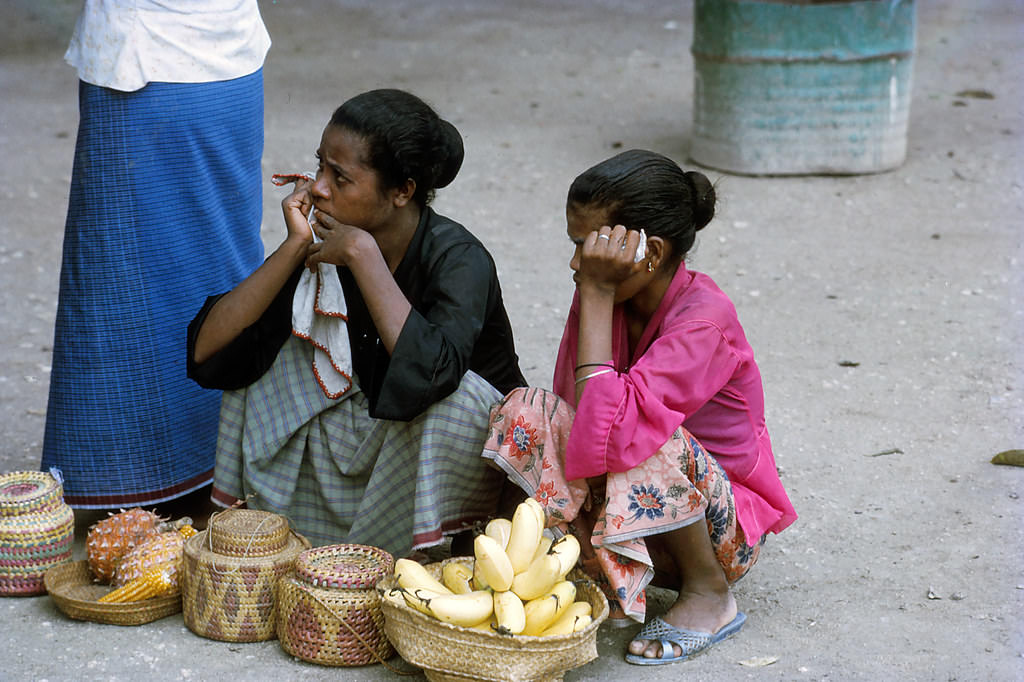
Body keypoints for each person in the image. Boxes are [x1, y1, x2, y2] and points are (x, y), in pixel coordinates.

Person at [482, 149, 797, 664]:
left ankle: (708, 595)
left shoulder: (704, 322)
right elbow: (576, 419)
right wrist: (598, 295)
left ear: (649, 251)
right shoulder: (602, 295)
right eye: (575, 244)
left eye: (588, 245)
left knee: (634, 431)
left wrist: (599, 291)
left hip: (721, 533)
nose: (575, 262)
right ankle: (574, 563)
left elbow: (610, 433)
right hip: (631, 508)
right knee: (527, 407)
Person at [186, 89, 527, 557]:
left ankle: (440, 548)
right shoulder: (324, 244)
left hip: (457, 445)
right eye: (320, 166)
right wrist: (292, 248)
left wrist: (365, 257)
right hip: (374, 434)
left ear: (402, 192)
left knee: (451, 398)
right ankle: (300, 536)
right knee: (265, 362)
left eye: (340, 177)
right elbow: (210, 352)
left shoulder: (457, 257)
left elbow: (431, 378)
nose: (319, 187)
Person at [42, 1, 271, 508]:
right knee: (219, 260)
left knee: (122, 279)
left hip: (150, 67)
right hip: (224, 54)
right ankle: (222, 469)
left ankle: (141, 480)